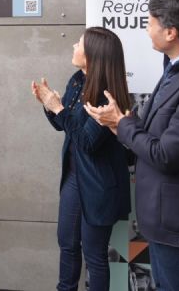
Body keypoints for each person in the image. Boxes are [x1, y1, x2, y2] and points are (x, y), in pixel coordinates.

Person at [85, 0, 179, 291]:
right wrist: (121, 124)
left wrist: (121, 123)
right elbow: (158, 133)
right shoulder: (178, 67)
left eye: (149, 23)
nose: (146, 29)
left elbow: (166, 154)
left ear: (170, 32)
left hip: (178, 218)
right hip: (164, 214)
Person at [32, 27, 131, 291]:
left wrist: (58, 108)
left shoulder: (108, 95)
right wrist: (49, 106)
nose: (74, 46)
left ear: (93, 55)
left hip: (99, 184)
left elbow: (88, 142)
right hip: (74, 177)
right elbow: (64, 125)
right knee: (67, 244)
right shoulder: (77, 80)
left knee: (94, 255)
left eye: (79, 43)